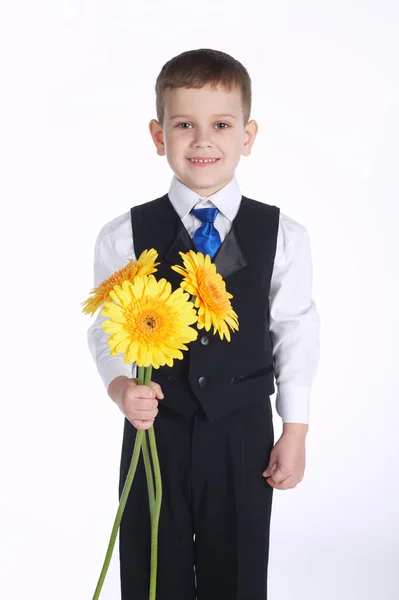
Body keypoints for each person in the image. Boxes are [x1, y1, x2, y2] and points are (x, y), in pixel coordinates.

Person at [87, 48, 320, 600]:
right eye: (184, 124)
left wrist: (296, 427)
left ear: (248, 133)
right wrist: (121, 385)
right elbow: (106, 325)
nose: (202, 140)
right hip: (154, 430)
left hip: (242, 430)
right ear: (157, 134)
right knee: (151, 572)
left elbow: (294, 328)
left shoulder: (283, 235)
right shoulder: (124, 235)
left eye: (221, 124)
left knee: (236, 571)